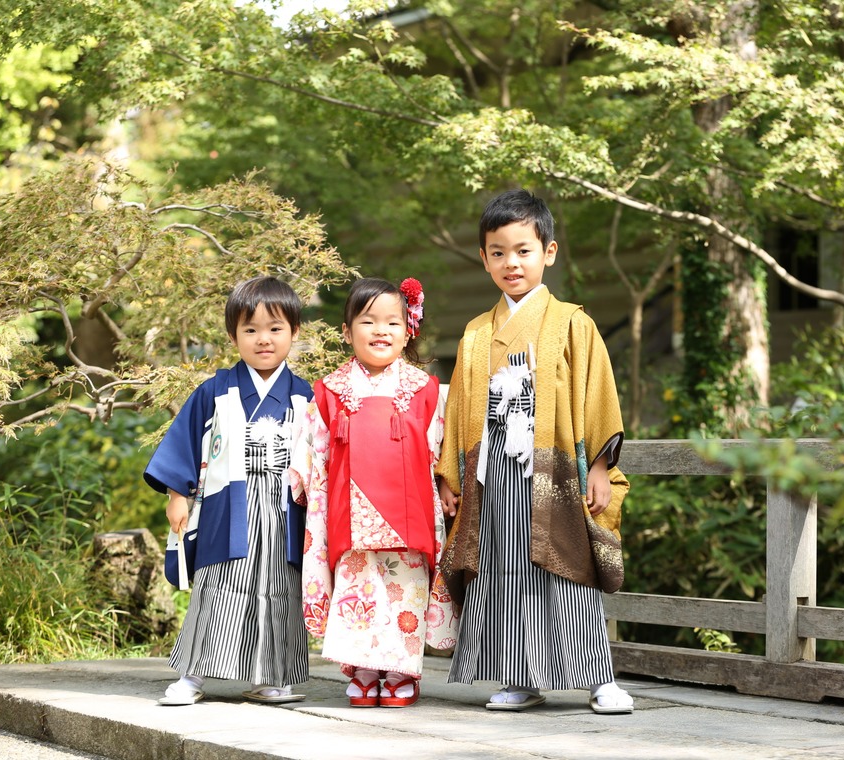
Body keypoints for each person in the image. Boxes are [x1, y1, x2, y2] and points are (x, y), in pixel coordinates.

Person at [436, 188, 634, 715]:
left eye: (523, 250)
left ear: (549, 251)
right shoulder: (477, 332)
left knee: (567, 564)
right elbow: (458, 409)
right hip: (492, 472)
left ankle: (599, 679)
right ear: (483, 258)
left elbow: (597, 395)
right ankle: (519, 676)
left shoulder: (573, 322)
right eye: (497, 252)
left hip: (554, 468)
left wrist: (598, 467)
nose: (511, 262)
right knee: (502, 573)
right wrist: (450, 476)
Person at [290, 276, 459, 709]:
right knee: (358, 586)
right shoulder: (331, 391)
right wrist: (301, 474)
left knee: (405, 586)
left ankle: (401, 670)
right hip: (351, 509)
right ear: (348, 331)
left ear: (408, 330)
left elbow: (442, 447)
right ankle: (363, 668)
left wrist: (446, 483)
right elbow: (314, 445)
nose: (381, 330)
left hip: (412, 508)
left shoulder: (425, 390)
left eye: (392, 322)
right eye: (368, 321)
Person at [145, 276, 312, 706]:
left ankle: (270, 676)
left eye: (275, 329)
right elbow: (184, 443)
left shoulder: (304, 396)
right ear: (233, 335)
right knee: (219, 584)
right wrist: (177, 494)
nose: (263, 340)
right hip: (228, 503)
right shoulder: (215, 390)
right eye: (250, 329)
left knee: (278, 586)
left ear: (294, 332)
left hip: (283, 506)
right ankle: (193, 676)